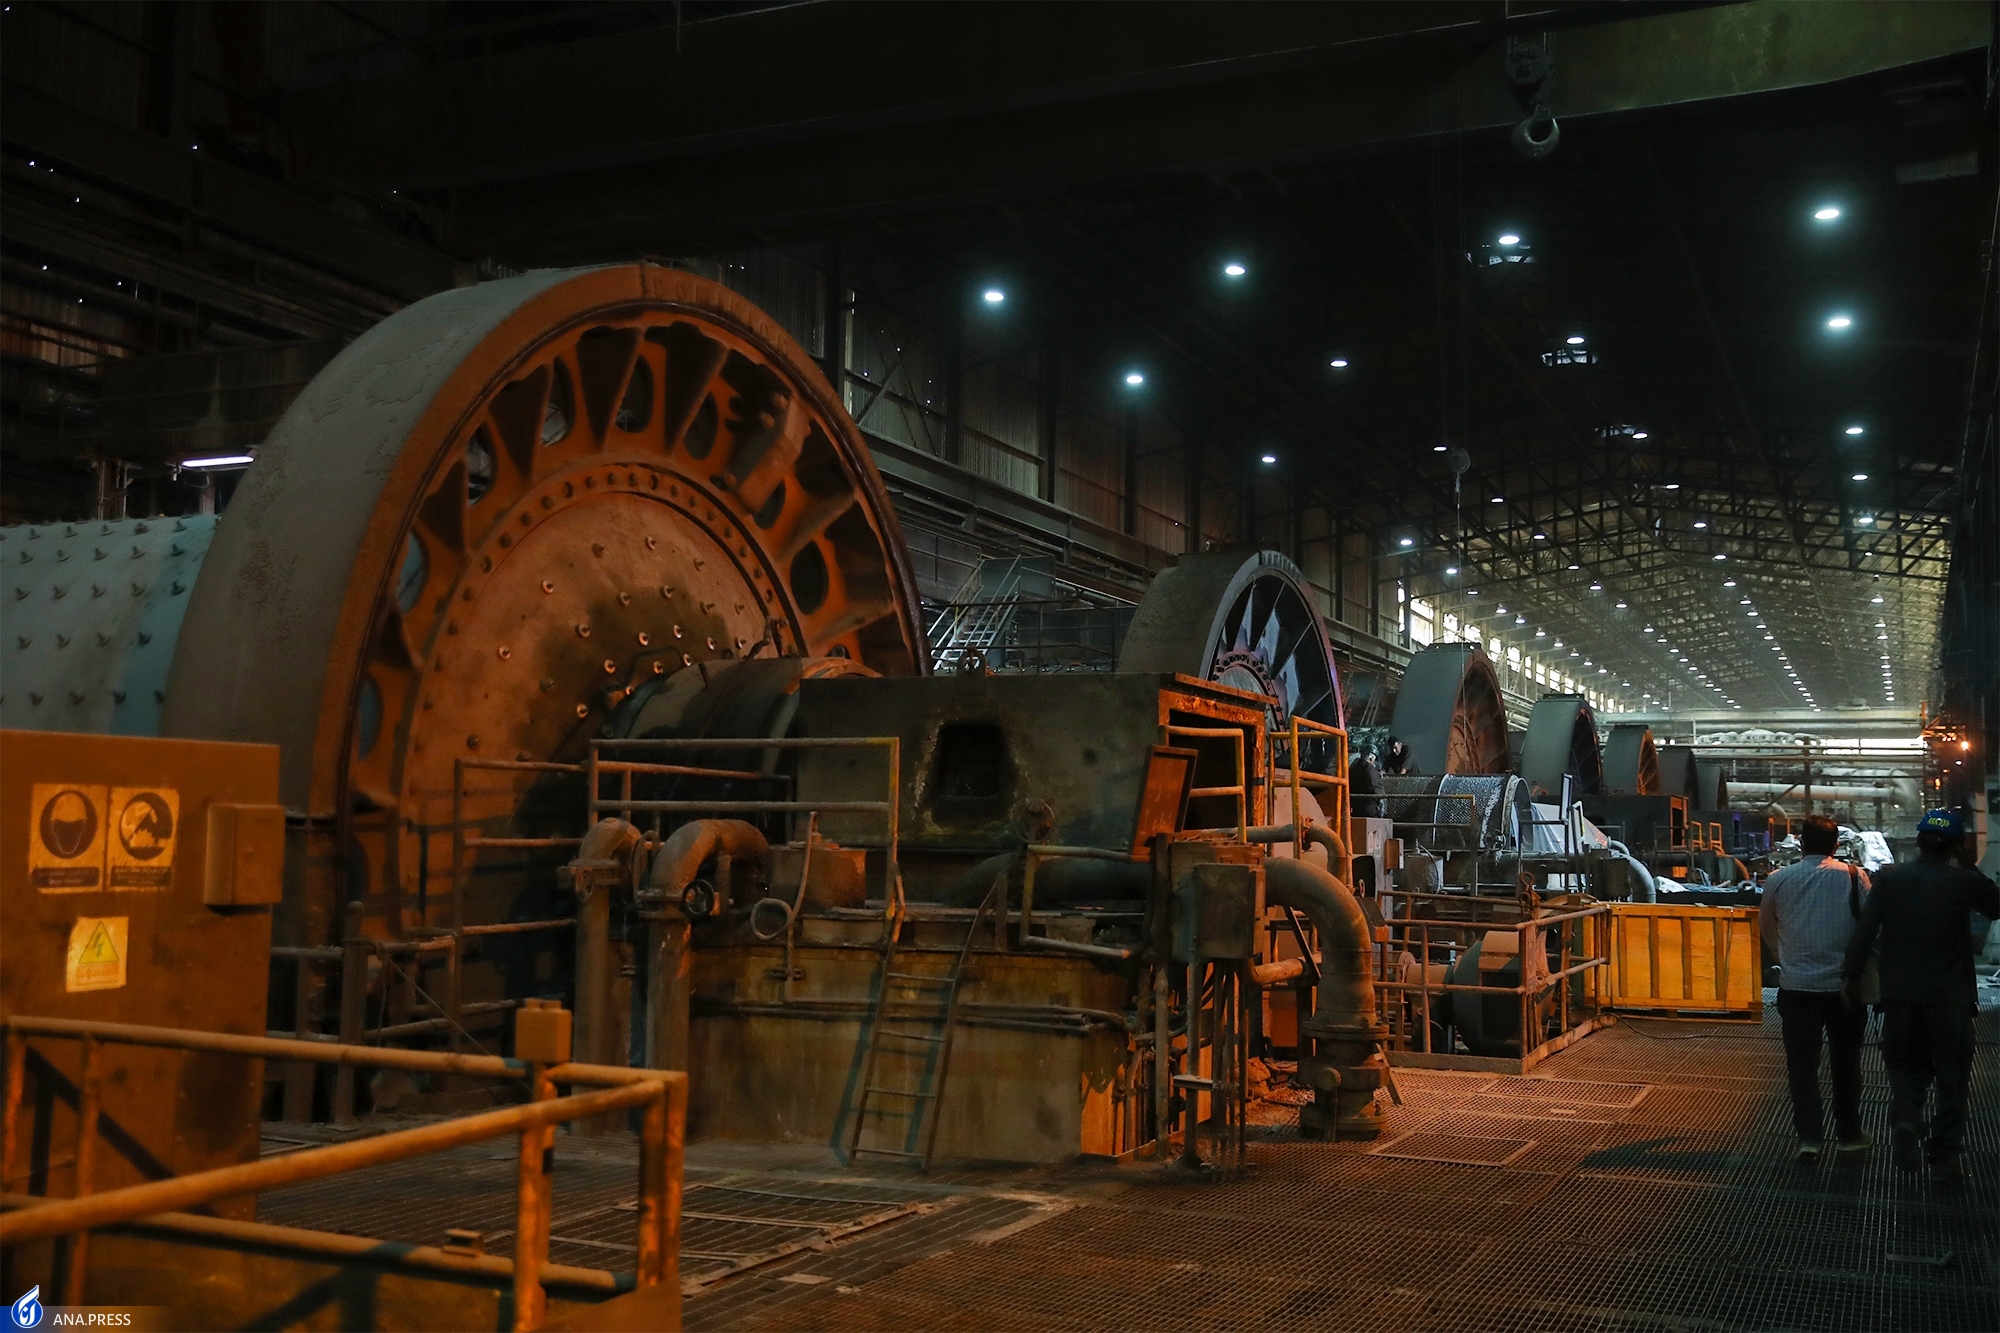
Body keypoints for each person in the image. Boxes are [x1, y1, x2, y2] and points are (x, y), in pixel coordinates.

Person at [1845, 808, 1999, 1178]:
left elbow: (1865, 931)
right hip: (1951, 1001)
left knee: (1904, 1068)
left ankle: (1907, 1119)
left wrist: (1851, 979)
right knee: (1952, 1080)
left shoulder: (1891, 879)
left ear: (1918, 841)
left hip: (1900, 998)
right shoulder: (1964, 881)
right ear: (1955, 845)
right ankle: (1944, 1157)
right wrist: (1969, 864)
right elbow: (1996, 907)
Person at [1761, 814, 1872, 1159]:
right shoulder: (1854, 876)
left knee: (1802, 1066)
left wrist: (1783, 953)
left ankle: (1809, 1138)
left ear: (1801, 844)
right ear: (1836, 845)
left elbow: (1766, 927)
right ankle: (1849, 1135)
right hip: (1844, 989)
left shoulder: (1779, 879)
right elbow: (1871, 926)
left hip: (1797, 988)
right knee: (1846, 1064)